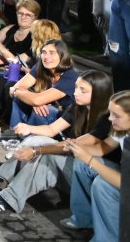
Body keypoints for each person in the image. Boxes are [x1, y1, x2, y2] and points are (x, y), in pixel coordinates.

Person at [0, 70, 114, 215]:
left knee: (47, 156)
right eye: (76, 87)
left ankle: (10, 199)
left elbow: (74, 145)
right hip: (75, 163)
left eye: (83, 90)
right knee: (35, 139)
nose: (76, 92)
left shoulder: (107, 118)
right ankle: (1, 185)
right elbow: (52, 129)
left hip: (89, 180)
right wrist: (28, 128)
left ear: (99, 93)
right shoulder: (79, 107)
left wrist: (35, 151)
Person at [59, 90, 129, 239]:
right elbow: (102, 148)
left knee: (102, 185)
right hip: (125, 175)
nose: (110, 119)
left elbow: (125, 183)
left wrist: (89, 159)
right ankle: (84, 219)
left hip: (126, 181)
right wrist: (77, 148)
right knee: (81, 163)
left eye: (116, 116)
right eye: (110, 113)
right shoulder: (123, 130)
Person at [9, 39, 78, 129]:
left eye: (52, 53)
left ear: (62, 56)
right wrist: (33, 100)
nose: (46, 57)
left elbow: (34, 99)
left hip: (67, 123)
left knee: (43, 110)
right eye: (44, 52)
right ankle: (14, 133)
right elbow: (17, 87)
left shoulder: (71, 76)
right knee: (21, 99)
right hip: (52, 113)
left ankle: (27, 139)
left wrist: (18, 92)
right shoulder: (41, 67)